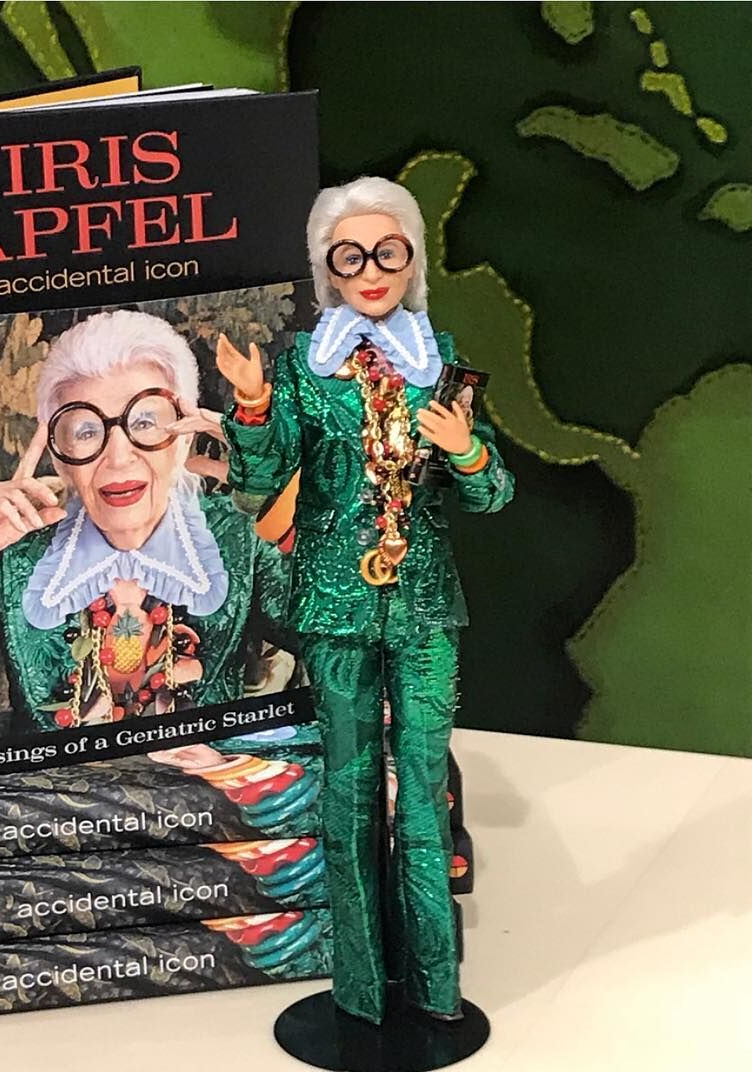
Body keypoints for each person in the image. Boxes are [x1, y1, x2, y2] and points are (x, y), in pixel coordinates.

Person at [214, 177, 514, 1024]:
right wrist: (253, 405)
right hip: (334, 606)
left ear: (413, 261)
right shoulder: (305, 369)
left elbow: (494, 494)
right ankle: (360, 994)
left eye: (389, 253)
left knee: (422, 794)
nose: (372, 273)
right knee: (345, 795)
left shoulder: (439, 362)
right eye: (352, 258)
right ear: (329, 271)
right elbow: (259, 480)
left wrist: (466, 451)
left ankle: (435, 988)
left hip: (425, 609)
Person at [0, 309, 293, 737]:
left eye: (145, 422)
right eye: (87, 432)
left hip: (216, 776)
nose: (118, 457)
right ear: (60, 458)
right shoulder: (18, 558)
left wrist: (279, 488)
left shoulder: (240, 536)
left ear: (184, 437)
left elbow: (334, 638)